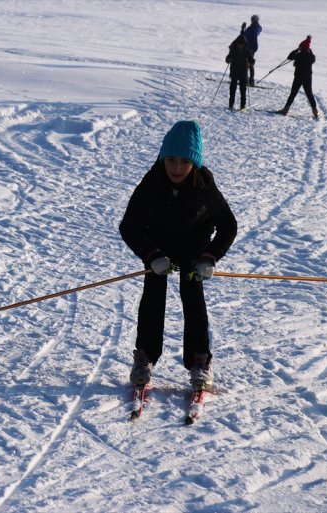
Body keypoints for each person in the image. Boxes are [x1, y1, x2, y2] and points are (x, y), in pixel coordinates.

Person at [119, 121, 237, 391]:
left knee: (193, 298)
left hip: (194, 250)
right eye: (170, 159)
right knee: (153, 296)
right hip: (158, 247)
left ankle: (199, 361)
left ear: (194, 163)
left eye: (184, 161)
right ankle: (144, 357)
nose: (176, 167)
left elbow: (229, 225)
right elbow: (129, 225)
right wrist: (151, 255)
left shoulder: (205, 186)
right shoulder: (152, 182)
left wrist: (210, 256)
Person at [277, 35, 318, 119]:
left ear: (301, 47)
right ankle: (315, 110)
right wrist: (310, 51)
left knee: (293, 93)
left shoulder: (299, 55)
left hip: (298, 77)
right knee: (309, 94)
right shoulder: (311, 57)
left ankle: (286, 109)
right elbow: (313, 58)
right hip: (307, 78)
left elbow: (289, 57)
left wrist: (296, 50)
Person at [225, 35, 255, 110]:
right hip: (234, 71)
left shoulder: (247, 51)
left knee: (243, 89)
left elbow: (252, 60)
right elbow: (227, 58)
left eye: (242, 44)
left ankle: (243, 105)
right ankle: (231, 104)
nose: (240, 46)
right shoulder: (233, 49)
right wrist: (228, 59)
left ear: (244, 44)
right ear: (236, 43)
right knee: (232, 89)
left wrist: (250, 62)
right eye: (239, 44)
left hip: (243, 72)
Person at [242, 15, 262, 86]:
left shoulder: (255, 27)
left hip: (250, 48)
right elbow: (244, 35)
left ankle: (250, 79)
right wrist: (243, 29)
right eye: (251, 19)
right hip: (247, 47)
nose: (251, 20)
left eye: (253, 19)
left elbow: (253, 35)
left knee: (249, 63)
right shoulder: (252, 27)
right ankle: (247, 78)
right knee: (246, 63)